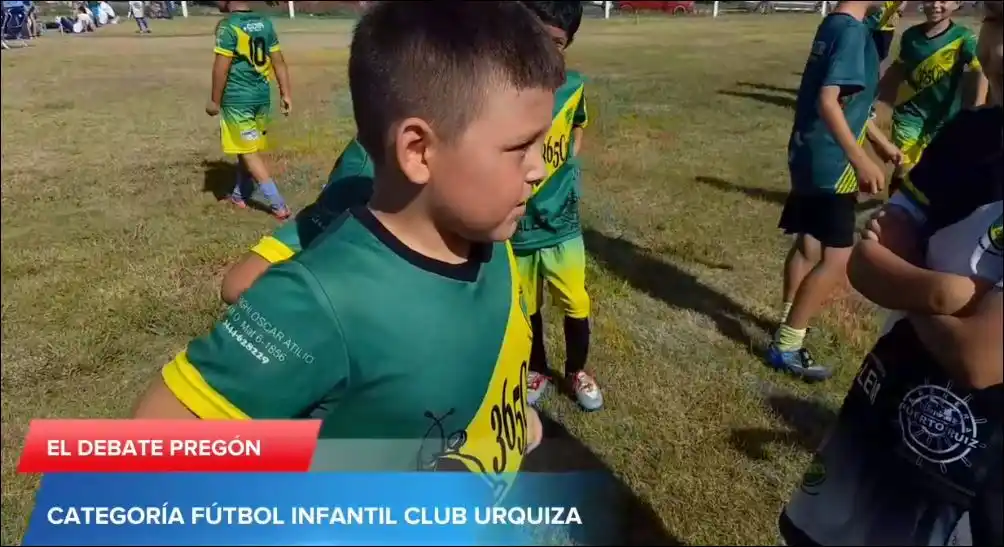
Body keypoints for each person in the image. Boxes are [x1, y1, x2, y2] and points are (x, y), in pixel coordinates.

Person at [134, 1, 565, 502]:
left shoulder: (493, 243)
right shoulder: (318, 302)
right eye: (520, 148)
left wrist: (514, 426)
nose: (538, 168)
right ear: (418, 151)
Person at [779, 5, 1002, 544]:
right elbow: (867, 260)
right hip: (886, 411)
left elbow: (980, 357)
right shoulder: (969, 138)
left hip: (976, 474)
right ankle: (787, 337)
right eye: (999, 16)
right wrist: (944, 292)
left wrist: (914, 284)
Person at [767, 0, 901, 381]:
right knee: (837, 258)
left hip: (809, 153)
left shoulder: (834, 24)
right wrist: (859, 159)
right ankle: (787, 345)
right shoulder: (853, 32)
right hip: (833, 162)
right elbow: (830, 103)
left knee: (809, 245)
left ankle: (788, 320)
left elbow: (848, 104)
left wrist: (879, 144)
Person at [510, 2, 602, 412]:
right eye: (537, 38)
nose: (545, 52)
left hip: (562, 224)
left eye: (556, 43)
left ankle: (577, 371)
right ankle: (538, 368)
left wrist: (569, 163)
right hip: (519, 227)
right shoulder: (502, 88)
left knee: (575, 302)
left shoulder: (574, 86)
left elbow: (578, 123)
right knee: (527, 305)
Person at [220, 138, 373, 304]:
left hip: (364, 247)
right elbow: (235, 289)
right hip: (319, 222)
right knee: (236, 287)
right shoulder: (363, 148)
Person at [878, 0, 986, 196]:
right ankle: (893, 209)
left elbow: (979, 72)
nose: (935, 5)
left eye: (943, 1)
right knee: (905, 167)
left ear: (957, 4)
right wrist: (879, 99)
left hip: (944, 119)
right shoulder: (910, 36)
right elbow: (898, 69)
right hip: (908, 116)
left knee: (935, 173)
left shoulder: (963, 37)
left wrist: (978, 107)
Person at [206, 0, 292, 220]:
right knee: (246, 146)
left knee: (248, 152)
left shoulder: (228, 27)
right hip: (261, 99)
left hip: (238, 100)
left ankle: (277, 204)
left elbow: (221, 67)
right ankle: (238, 194)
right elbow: (279, 62)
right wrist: (285, 93)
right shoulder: (264, 22)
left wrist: (214, 101)